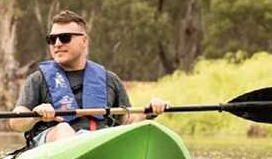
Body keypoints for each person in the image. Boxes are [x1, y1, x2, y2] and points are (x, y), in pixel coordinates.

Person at [9, 10, 166, 146]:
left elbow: (127, 121)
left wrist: (149, 111)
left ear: (84, 41)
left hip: (99, 141)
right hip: (52, 143)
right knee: (63, 129)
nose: (57, 44)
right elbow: (16, 123)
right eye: (52, 39)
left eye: (64, 38)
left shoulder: (110, 79)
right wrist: (36, 114)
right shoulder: (37, 79)